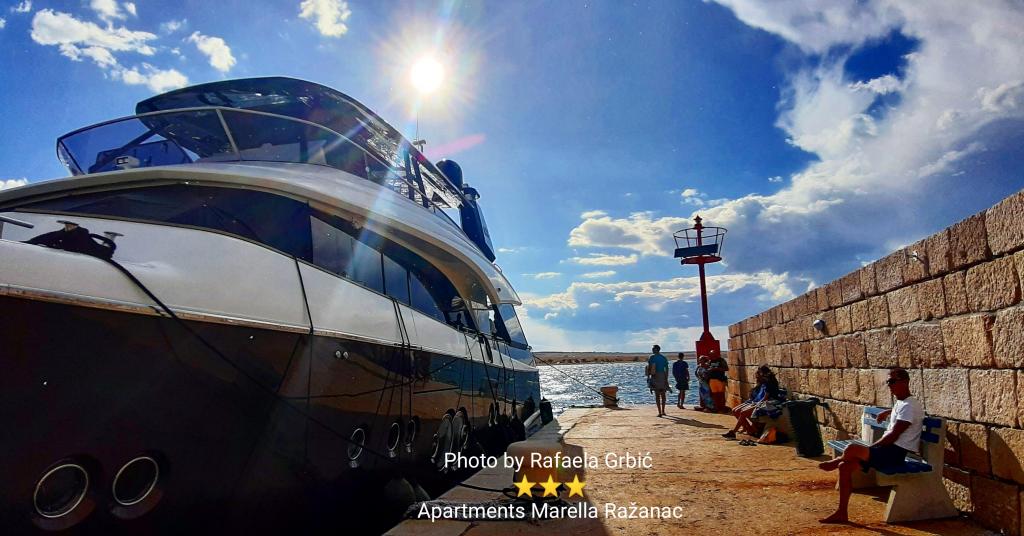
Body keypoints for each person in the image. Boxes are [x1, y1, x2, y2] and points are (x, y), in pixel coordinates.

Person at [817, 368, 923, 524]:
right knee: (844, 467)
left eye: (892, 381)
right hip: (888, 451)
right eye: (888, 382)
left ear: (905, 382)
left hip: (894, 454)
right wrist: (888, 412)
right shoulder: (903, 403)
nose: (889, 385)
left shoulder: (910, 406)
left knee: (852, 449)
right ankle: (841, 512)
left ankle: (835, 461)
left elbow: (893, 436)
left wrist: (872, 448)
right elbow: (902, 411)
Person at [722, 365, 781, 439]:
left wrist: (756, 404)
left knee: (743, 412)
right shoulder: (763, 382)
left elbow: (766, 397)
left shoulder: (769, 382)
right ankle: (749, 429)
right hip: (757, 400)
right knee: (735, 410)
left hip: (766, 402)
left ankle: (735, 432)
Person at [646, 345, 670, 417]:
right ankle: (663, 411)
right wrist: (666, 378)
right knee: (663, 394)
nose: (652, 350)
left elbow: (649, 368)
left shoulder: (652, 357)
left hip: (655, 376)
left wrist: (648, 378)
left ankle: (660, 412)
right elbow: (667, 369)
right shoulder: (663, 357)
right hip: (662, 376)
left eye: (653, 349)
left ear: (657, 349)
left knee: (657, 395)